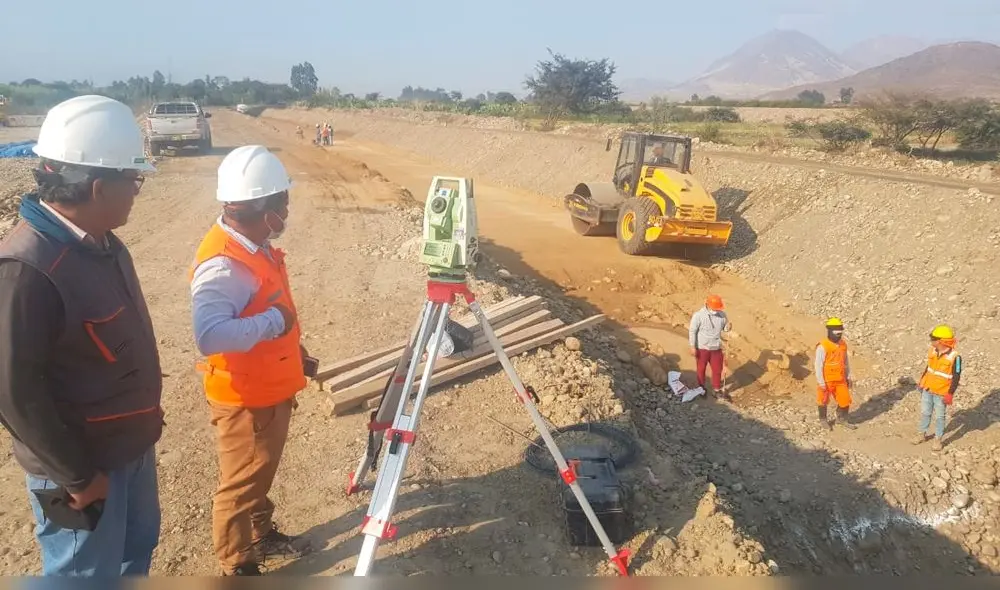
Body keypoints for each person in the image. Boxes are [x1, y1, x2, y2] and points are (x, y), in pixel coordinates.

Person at [0, 95, 163, 576]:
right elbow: (14, 390)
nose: (137, 191)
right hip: (83, 471)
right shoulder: (28, 267)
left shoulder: (106, 245)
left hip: (129, 452)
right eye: (132, 180)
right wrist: (77, 477)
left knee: (135, 558)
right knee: (83, 577)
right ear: (97, 187)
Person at [190, 145, 313, 576]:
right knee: (240, 484)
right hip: (244, 399)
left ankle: (261, 535)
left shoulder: (253, 246)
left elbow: (265, 306)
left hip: (268, 385)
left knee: (259, 473)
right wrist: (273, 322)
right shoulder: (224, 263)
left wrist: (294, 354)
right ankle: (237, 565)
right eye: (282, 202)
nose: (286, 209)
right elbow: (210, 334)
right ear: (265, 209)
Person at [912, 325, 962, 451]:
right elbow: (929, 368)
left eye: (933, 339)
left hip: (941, 393)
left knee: (940, 417)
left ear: (941, 341)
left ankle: (938, 440)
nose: (931, 341)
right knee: (925, 413)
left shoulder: (955, 357)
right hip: (928, 389)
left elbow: (956, 377)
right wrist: (921, 382)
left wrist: (950, 393)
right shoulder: (933, 351)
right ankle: (921, 434)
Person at [688, 294, 731, 399]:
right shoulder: (698, 315)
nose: (716, 310)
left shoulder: (722, 315)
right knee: (701, 369)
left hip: (716, 348)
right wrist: (692, 346)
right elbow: (692, 331)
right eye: (714, 308)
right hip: (702, 348)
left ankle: (716, 389)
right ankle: (701, 388)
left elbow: (725, 328)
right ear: (707, 304)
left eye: (718, 308)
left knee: (717, 370)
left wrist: (728, 327)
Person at [815, 318, 855, 430]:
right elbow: (818, 365)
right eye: (836, 333)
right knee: (823, 400)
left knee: (845, 400)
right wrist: (821, 382)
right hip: (826, 380)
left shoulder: (843, 345)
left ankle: (841, 419)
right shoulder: (823, 346)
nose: (839, 335)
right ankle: (823, 420)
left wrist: (848, 376)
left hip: (840, 379)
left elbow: (845, 361)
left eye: (840, 333)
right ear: (829, 331)